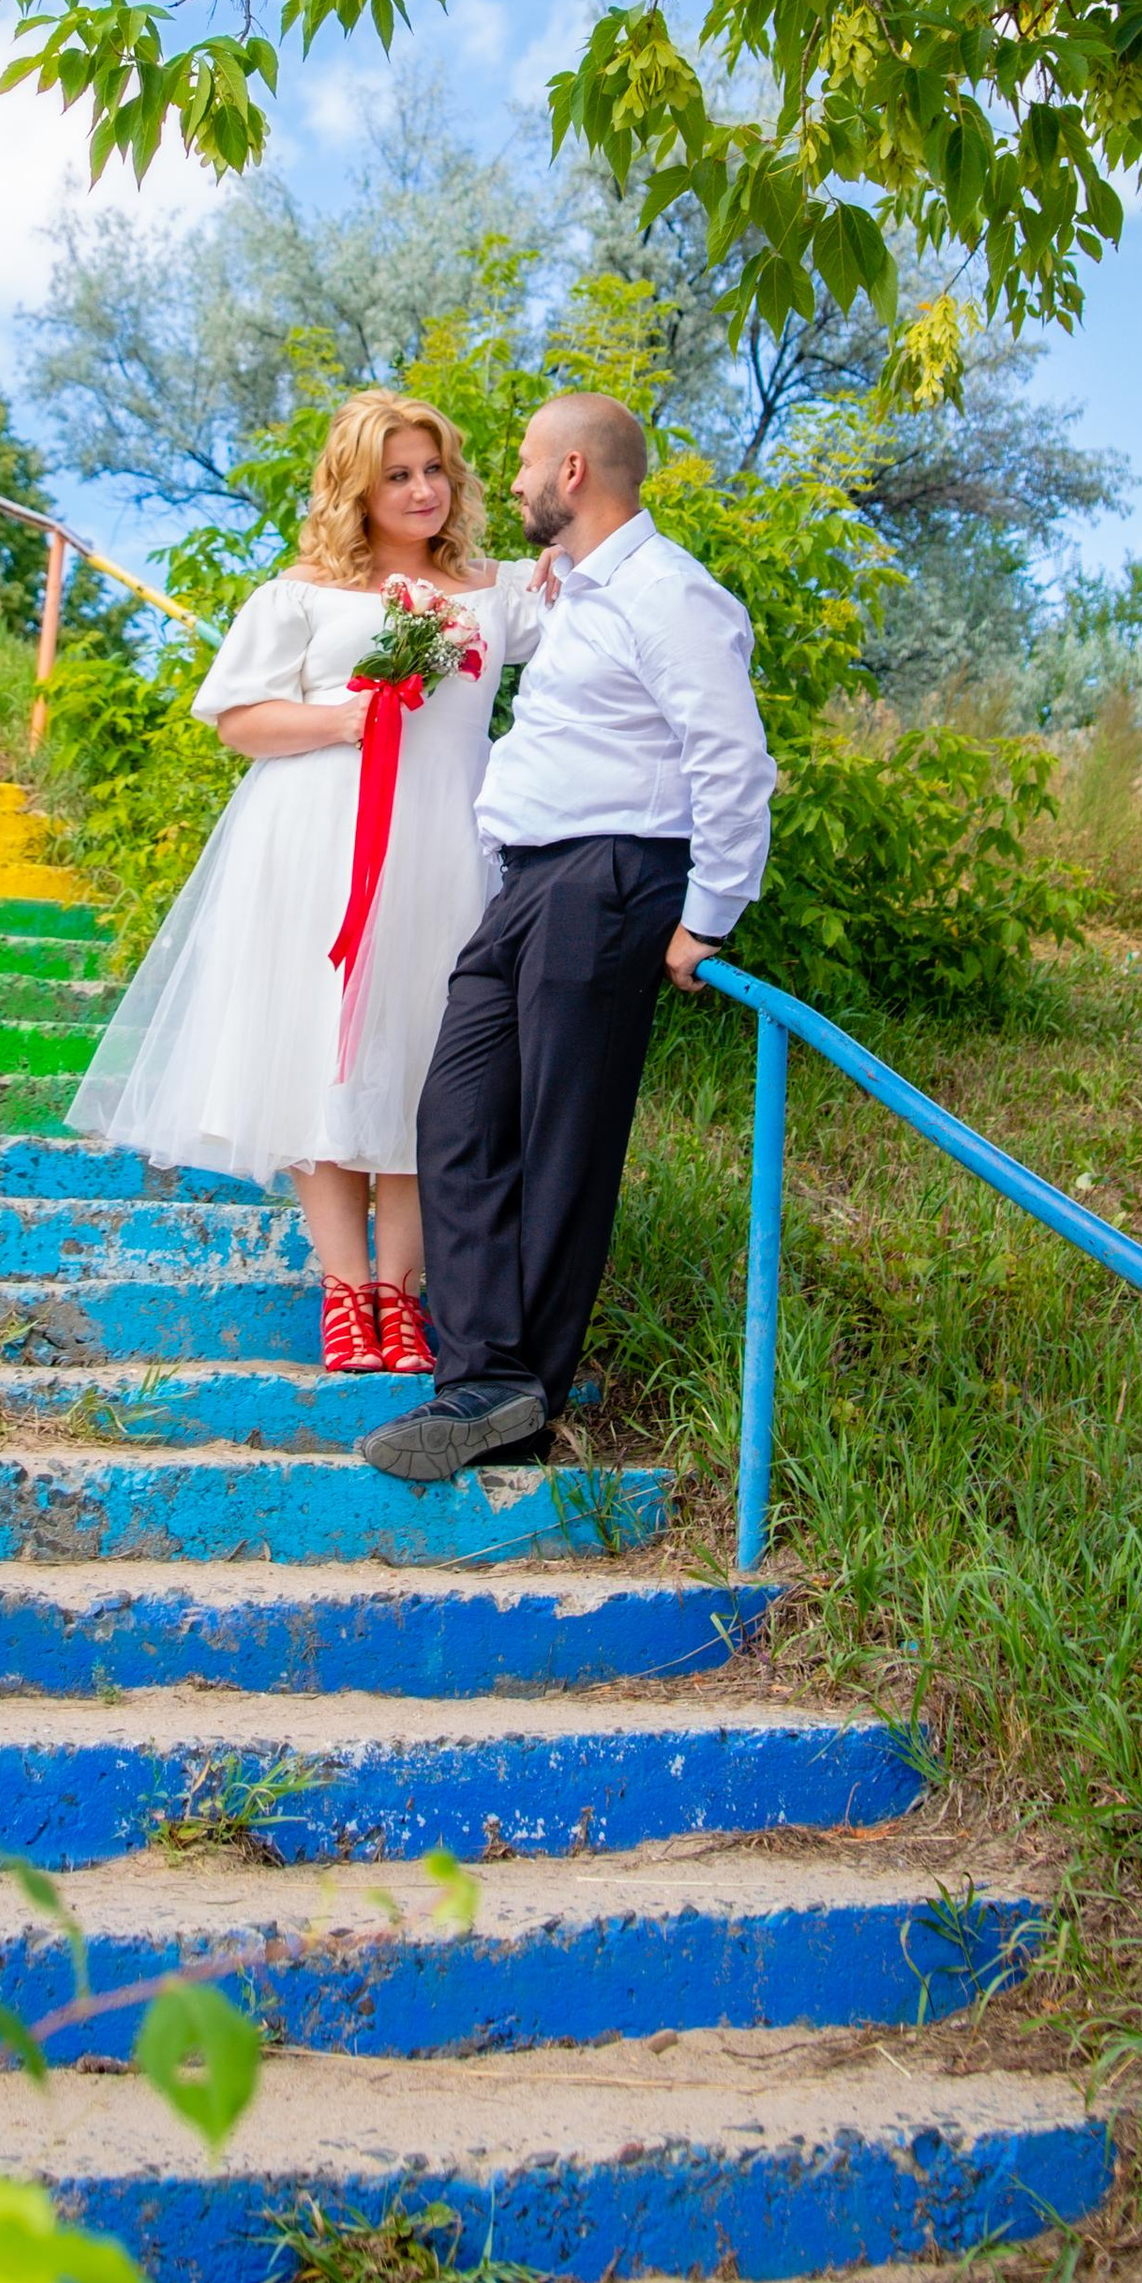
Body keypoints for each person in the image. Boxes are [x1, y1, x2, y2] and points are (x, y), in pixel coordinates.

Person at [64, 389, 545, 1373]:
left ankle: (403, 1294)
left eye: (433, 470)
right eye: (397, 475)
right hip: (317, 844)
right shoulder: (301, 594)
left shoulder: (498, 594)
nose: (421, 491)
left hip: (446, 847)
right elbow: (237, 719)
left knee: (426, 1068)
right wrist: (345, 719)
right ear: (358, 490)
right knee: (324, 1063)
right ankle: (343, 1287)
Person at [359, 390, 776, 1483]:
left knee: (560, 1139)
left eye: (530, 462)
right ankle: (485, 1371)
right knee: (455, 1117)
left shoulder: (670, 595)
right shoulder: (579, 592)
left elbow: (732, 759)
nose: (516, 480)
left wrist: (707, 916)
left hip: (611, 877)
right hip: (530, 884)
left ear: (576, 474)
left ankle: (511, 1389)